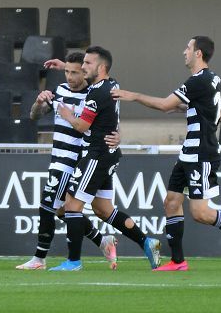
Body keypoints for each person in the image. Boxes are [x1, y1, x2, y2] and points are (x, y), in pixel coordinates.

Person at [112, 36, 221, 271]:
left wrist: (133, 96)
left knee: (201, 212)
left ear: (198, 53)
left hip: (202, 153)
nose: (183, 51)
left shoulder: (197, 80)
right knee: (171, 201)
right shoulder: (214, 79)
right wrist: (191, 107)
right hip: (189, 153)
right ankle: (177, 261)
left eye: (188, 47)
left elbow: (165, 104)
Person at [50, 46, 162, 271]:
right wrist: (64, 66)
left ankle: (73, 261)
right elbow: (106, 113)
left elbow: (82, 126)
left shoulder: (97, 93)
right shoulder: (112, 84)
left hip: (96, 155)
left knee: (70, 206)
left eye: (87, 64)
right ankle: (147, 242)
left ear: (101, 68)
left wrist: (67, 115)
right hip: (107, 154)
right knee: (103, 209)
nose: (83, 67)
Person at [16, 51, 120, 270]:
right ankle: (102, 240)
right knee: (64, 210)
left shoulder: (93, 94)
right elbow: (35, 115)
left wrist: (118, 134)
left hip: (72, 159)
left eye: (75, 72)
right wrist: (39, 102)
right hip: (57, 157)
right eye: (66, 72)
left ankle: (39, 259)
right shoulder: (59, 91)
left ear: (86, 72)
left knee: (47, 205)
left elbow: (110, 110)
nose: (69, 77)